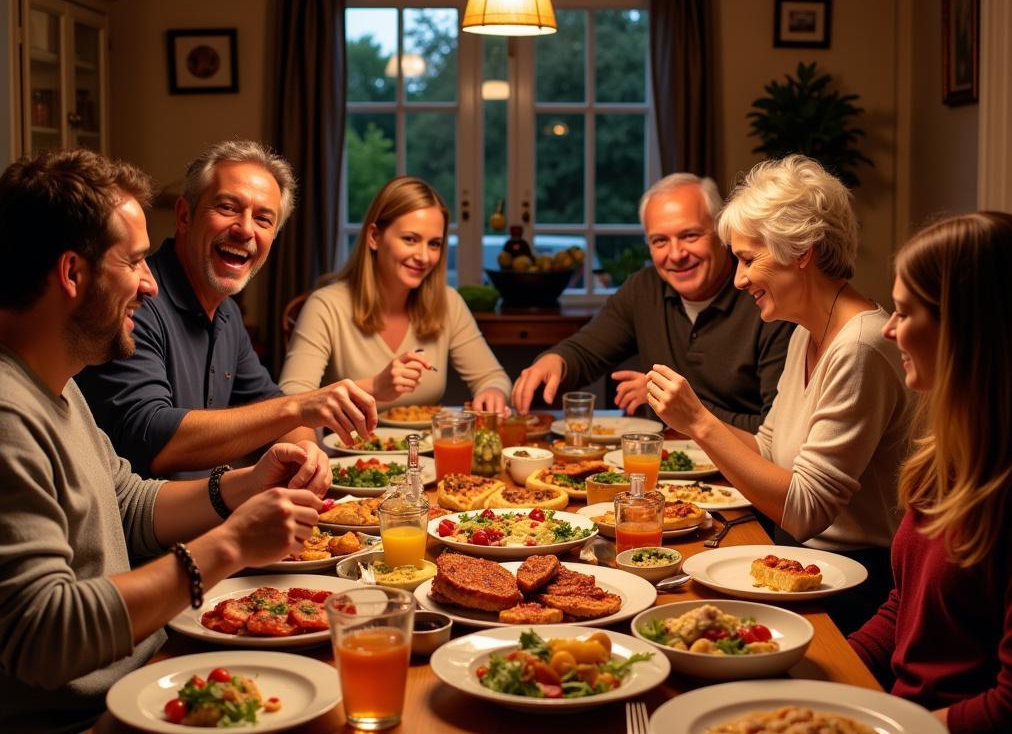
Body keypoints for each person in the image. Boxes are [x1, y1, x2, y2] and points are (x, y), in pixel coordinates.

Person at [0, 150, 331, 734]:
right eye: (136, 263)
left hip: (134, 695)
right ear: (72, 275)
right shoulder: (7, 414)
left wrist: (238, 488)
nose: (151, 286)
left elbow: (129, 502)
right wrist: (228, 547)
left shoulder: (57, 391)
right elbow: (44, 633)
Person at [647, 156, 913, 631]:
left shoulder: (860, 346)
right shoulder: (805, 331)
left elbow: (806, 512)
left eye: (750, 259)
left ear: (802, 250)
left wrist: (700, 423)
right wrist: (692, 421)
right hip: (796, 564)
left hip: (855, 590)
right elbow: (770, 449)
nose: (739, 278)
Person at [848, 212, 1012, 734]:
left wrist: (882, 732)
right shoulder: (946, 455)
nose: (888, 330)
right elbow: (906, 607)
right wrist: (821, 671)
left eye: (903, 311)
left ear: (967, 328)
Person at [77, 139, 376, 479]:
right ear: (184, 216)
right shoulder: (134, 302)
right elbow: (149, 440)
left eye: (264, 219)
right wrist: (297, 408)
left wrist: (308, 453)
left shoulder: (227, 314)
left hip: (209, 517)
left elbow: (273, 408)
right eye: (227, 208)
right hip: (143, 527)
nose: (245, 229)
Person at [510, 173, 792, 431]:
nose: (676, 254)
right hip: (657, 465)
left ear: (722, 233)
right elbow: (586, 352)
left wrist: (670, 401)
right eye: (659, 241)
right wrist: (556, 360)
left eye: (689, 235)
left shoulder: (767, 300)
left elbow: (775, 430)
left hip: (741, 473)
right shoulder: (644, 289)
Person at [279, 175, 511, 412]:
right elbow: (292, 398)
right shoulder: (326, 306)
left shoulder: (448, 302)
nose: (424, 256)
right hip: (348, 448)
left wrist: (492, 391)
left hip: (427, 448)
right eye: (410, 239)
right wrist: (374, 386)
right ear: (374, 237)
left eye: (434, 244)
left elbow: (493, 377)